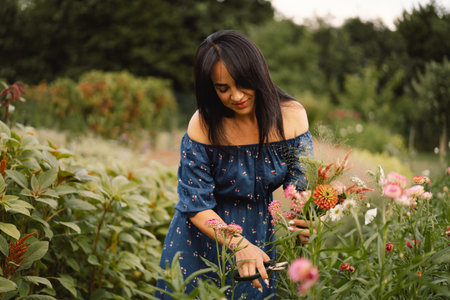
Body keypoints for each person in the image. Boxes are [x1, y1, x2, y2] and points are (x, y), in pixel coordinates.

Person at [156, 30, 314, 299]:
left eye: (242, 83)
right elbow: (195, 203)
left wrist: (306, 218)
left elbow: (298, 184)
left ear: (257, 74)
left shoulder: (290, 118)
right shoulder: (203, 125)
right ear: (211, 88)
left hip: (259, 234)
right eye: (223, 88)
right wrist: (238, 244)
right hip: (201, 239)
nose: (236, 95)